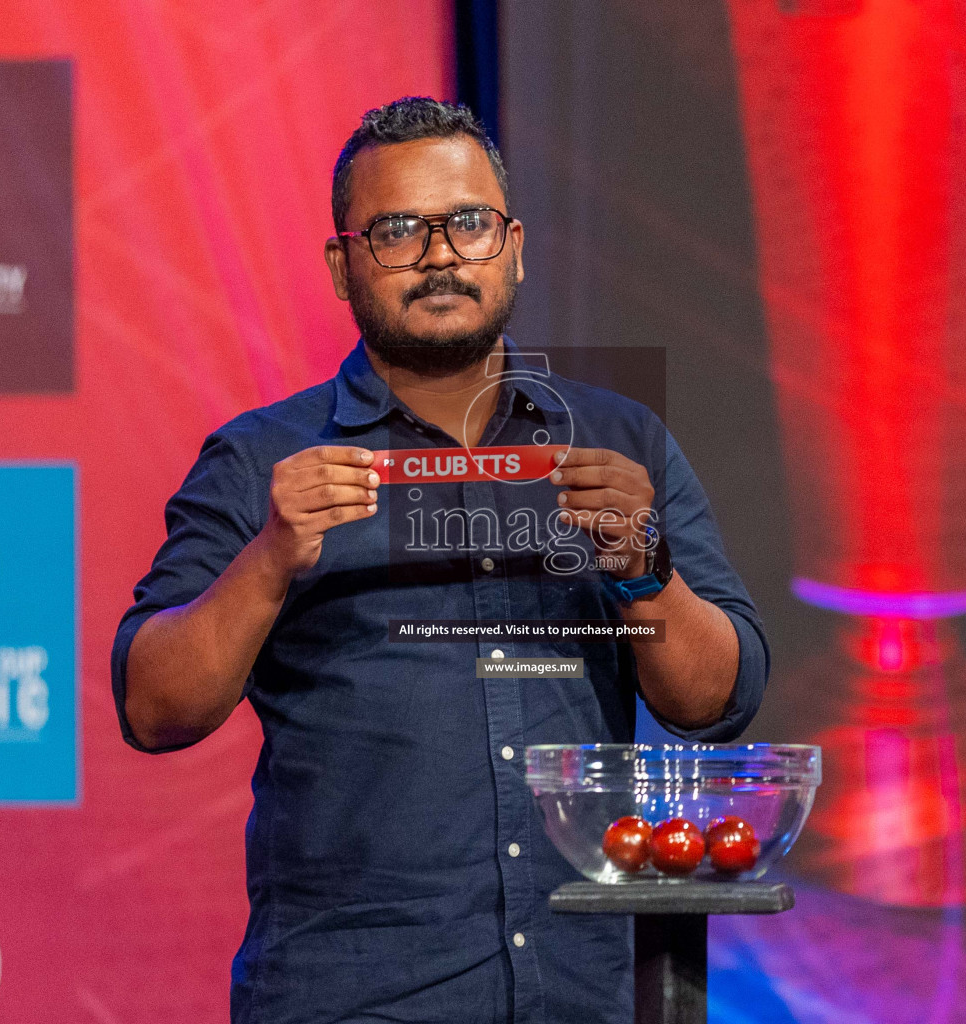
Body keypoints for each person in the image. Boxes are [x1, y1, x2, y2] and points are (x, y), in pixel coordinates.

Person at [111, 97, 769, 1024]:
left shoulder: (621, 442)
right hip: (353, 997)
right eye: (396, 230)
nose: (439, 253)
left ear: (513, 247)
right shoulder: (262, 459)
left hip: (583, 994)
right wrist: (266, 561)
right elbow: (153, 708)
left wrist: (646, 573)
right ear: (343, 267)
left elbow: (717, 703)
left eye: (467, 223)